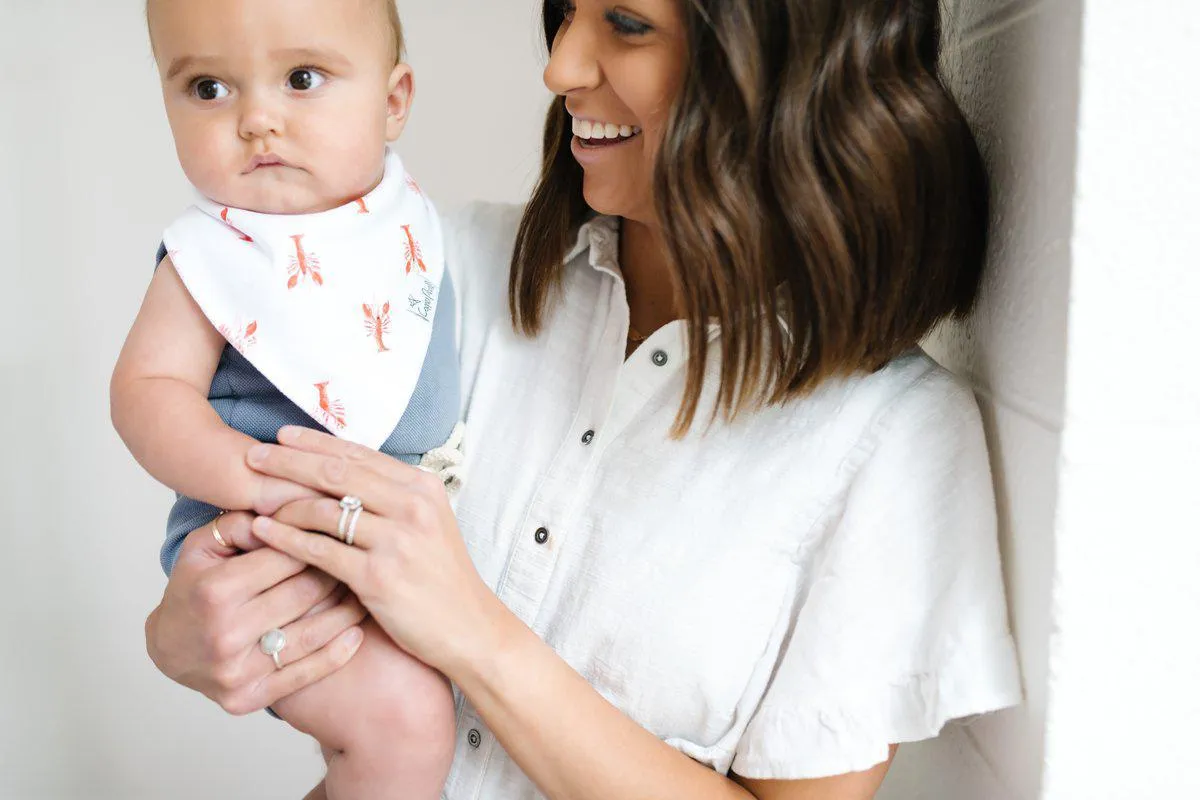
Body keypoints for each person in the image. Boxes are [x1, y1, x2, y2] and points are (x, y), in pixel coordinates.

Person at [144, 0, 1024, 797]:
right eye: (565, 14)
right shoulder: (423, 281)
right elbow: (203, 451)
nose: (559, 67)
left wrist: (476, 632)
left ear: (786, 60)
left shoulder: (892, 442)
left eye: (627, 24)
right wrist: (190, 639)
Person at [111, 0, 464, 797]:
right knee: (405, 717)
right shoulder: (209, 255)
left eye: (302, 78)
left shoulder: (410, 232)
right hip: (265, 549)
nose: (257, 119)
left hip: (390, 552)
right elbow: (145, 391)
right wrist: (261, 479)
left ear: (394, 100)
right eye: (207, 88)